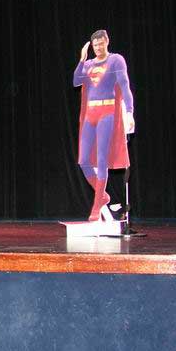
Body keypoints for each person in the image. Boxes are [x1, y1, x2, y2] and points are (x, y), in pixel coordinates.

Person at [73, 30, 135, 221]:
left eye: (101, 44)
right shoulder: (89, 64)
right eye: (95, 45)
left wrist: (129, 111)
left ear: (107, 42)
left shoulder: (116, 60)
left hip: (107, 112)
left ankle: (96, 204)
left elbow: (125, 86)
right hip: (90, 115)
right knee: (83, 160)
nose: (98, 48)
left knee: (101, 160)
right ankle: (103, 196)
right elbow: (76, 81)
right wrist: (82, 60)